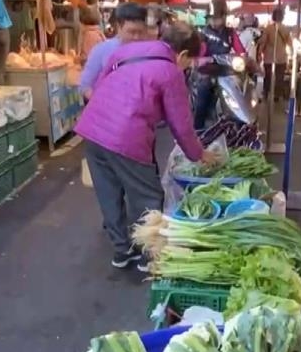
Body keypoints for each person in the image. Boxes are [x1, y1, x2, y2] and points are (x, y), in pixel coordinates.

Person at [75, 22, 217, 270]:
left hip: (92, 129)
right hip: (127, 136)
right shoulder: (170, 72)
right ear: (182, 54)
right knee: (148, 195)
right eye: (190, 61)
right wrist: (198, 154)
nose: (188, 67)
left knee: (109, 194)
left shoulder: (125, 51)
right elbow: (181, 124)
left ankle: (121, 252)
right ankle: (147, 256)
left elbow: (99, 87)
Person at [193, 1, 247, 129]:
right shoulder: (203, 34)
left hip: (226, 70)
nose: (213, 21)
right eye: (211, 18)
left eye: (216, 18)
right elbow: (200, 53)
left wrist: (244, 59)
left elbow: (241, 50)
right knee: (202, 100)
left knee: (239, 96)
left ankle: (241, 126)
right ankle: (197, 130)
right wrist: (204, 59)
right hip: (207, 70)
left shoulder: (230, 33)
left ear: (223, 17)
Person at [79, 3, 149, 100]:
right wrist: (104, 106)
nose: (136, 37)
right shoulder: (102, 51)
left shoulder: (149, 53)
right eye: (131, 32)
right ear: (119, 27)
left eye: (140, 32)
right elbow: (85, 86)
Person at [258, 7, 292, 103]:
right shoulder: (286, 29)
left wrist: (260, 52)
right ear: (282, 17)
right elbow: (290, 44)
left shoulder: (268, 28)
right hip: (281, 57)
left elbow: (263, 41)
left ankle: (265, 93)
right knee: (279, 77)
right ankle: (277, 95)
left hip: (269, 57)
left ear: (273, 16)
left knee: (268, 77)